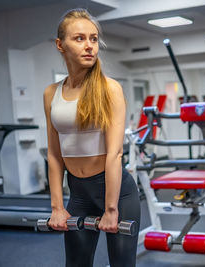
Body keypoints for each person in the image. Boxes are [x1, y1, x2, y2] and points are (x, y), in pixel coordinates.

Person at [43, 8, 140, 267]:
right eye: (79, 38)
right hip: (79, 194)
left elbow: (115, 153)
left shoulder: (110, 89)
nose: (89, 46)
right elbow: (54, 154)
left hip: (117, 194)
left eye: (94, 39)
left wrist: (111, 210)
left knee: (122, 264)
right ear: (60, 45)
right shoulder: (51, 93)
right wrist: (56, 206)